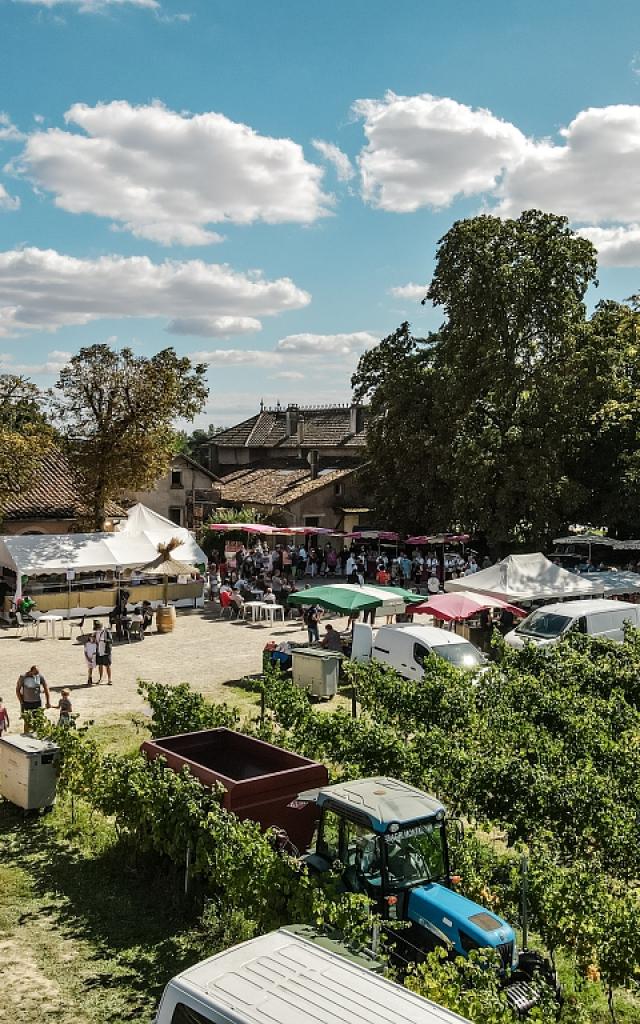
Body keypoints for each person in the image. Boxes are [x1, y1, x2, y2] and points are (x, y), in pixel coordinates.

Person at [94, 620, 113, 685]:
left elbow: (111, 640)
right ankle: (100, 678)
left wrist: (104, 640)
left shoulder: (106, 631)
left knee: (107, 666)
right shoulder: (96, 632)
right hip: (99, 651)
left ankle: (109, 679)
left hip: (106, 651)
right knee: (100, 665)